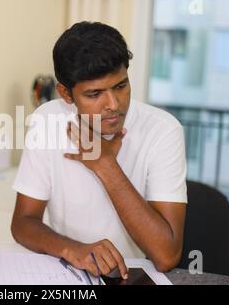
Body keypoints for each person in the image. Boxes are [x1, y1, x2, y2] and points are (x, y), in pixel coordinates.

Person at [11, 22, 187, 279]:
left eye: (120, 86)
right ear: (66, 94)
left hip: (131, 275)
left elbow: (167, 255)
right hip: (68, 272)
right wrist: (74, 250)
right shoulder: (47, 120)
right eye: (95, 94)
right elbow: (22, 223)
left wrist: (106, 164)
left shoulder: (163, 130)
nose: (113, 105)